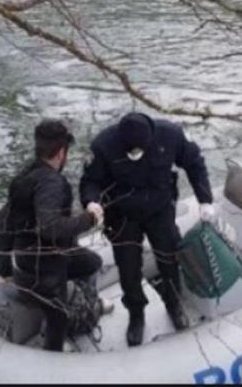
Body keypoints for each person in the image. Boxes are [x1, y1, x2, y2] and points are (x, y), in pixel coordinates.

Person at [80, 112, 215, 346]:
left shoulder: (171, 135)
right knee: (128, 267)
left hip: (159, 208)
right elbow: (90, 181)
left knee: (169, 258)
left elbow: (194, 162)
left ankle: (174, 304)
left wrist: (205, 200)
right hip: (122, 214)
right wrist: (91, 202)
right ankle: (136, 313)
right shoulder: (103, 145)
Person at [0, 119, 106, 352]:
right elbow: (50, 228)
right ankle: (56, 349)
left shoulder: (25, 177)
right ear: (62, 152)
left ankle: (86, 305)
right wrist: (89, 218)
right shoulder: (53, 183)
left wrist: (4, 269)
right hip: (48, 271)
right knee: (58, 319)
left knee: (92, 262)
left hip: (25, 265)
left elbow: (0, 225)